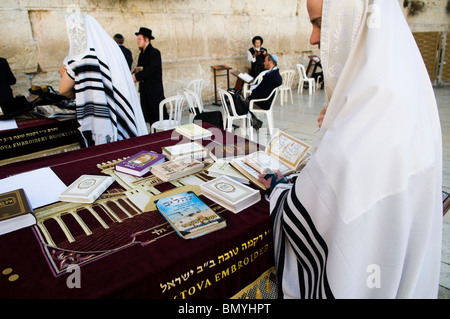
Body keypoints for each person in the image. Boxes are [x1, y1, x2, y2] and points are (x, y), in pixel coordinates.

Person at [259, 0, 443, 299]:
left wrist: (279, 189)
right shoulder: (398, 88)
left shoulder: (371, 116)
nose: (313, 39)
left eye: (319, 23)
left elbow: (317, 213)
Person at [59, 13, 147, 146]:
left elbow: (63, 89)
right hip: (118, 113)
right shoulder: (113, 53)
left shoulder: (79, 57)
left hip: (97, 123)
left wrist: (77, 86)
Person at [132, 27, 167, 127]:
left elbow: (151, 70)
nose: (137, 41)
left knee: (157, 117)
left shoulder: (155, 53)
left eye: (139, 39)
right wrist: (132, 75)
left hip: (154, 90)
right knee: (148, 117)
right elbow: (139, 69)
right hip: (144, 90)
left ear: (146, 39)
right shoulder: (141, 54)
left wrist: (136, 76)